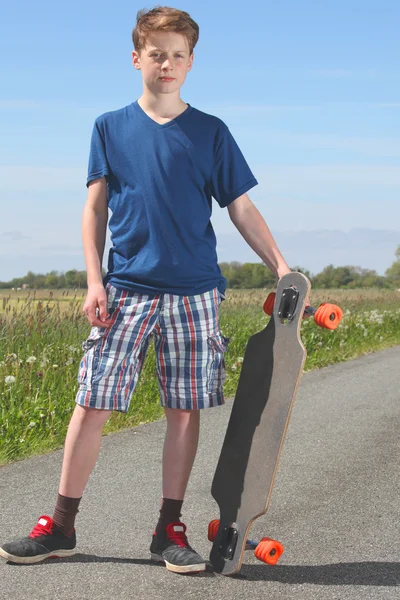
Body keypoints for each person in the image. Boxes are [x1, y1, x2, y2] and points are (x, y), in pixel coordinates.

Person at [0, 6, 293, 574]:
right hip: (126, 290)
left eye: (178, 55)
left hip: (195, 293)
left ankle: (169, 528)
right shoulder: (110, 126)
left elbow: (241, 206)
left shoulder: (211, 131)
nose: (167, 63)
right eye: (156, 53)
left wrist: (281, 265)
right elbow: (94, 208)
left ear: (190, 63)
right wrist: (93, 280)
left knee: (182, 412)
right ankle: (60, 525)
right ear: (137, 58)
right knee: (91, 404)